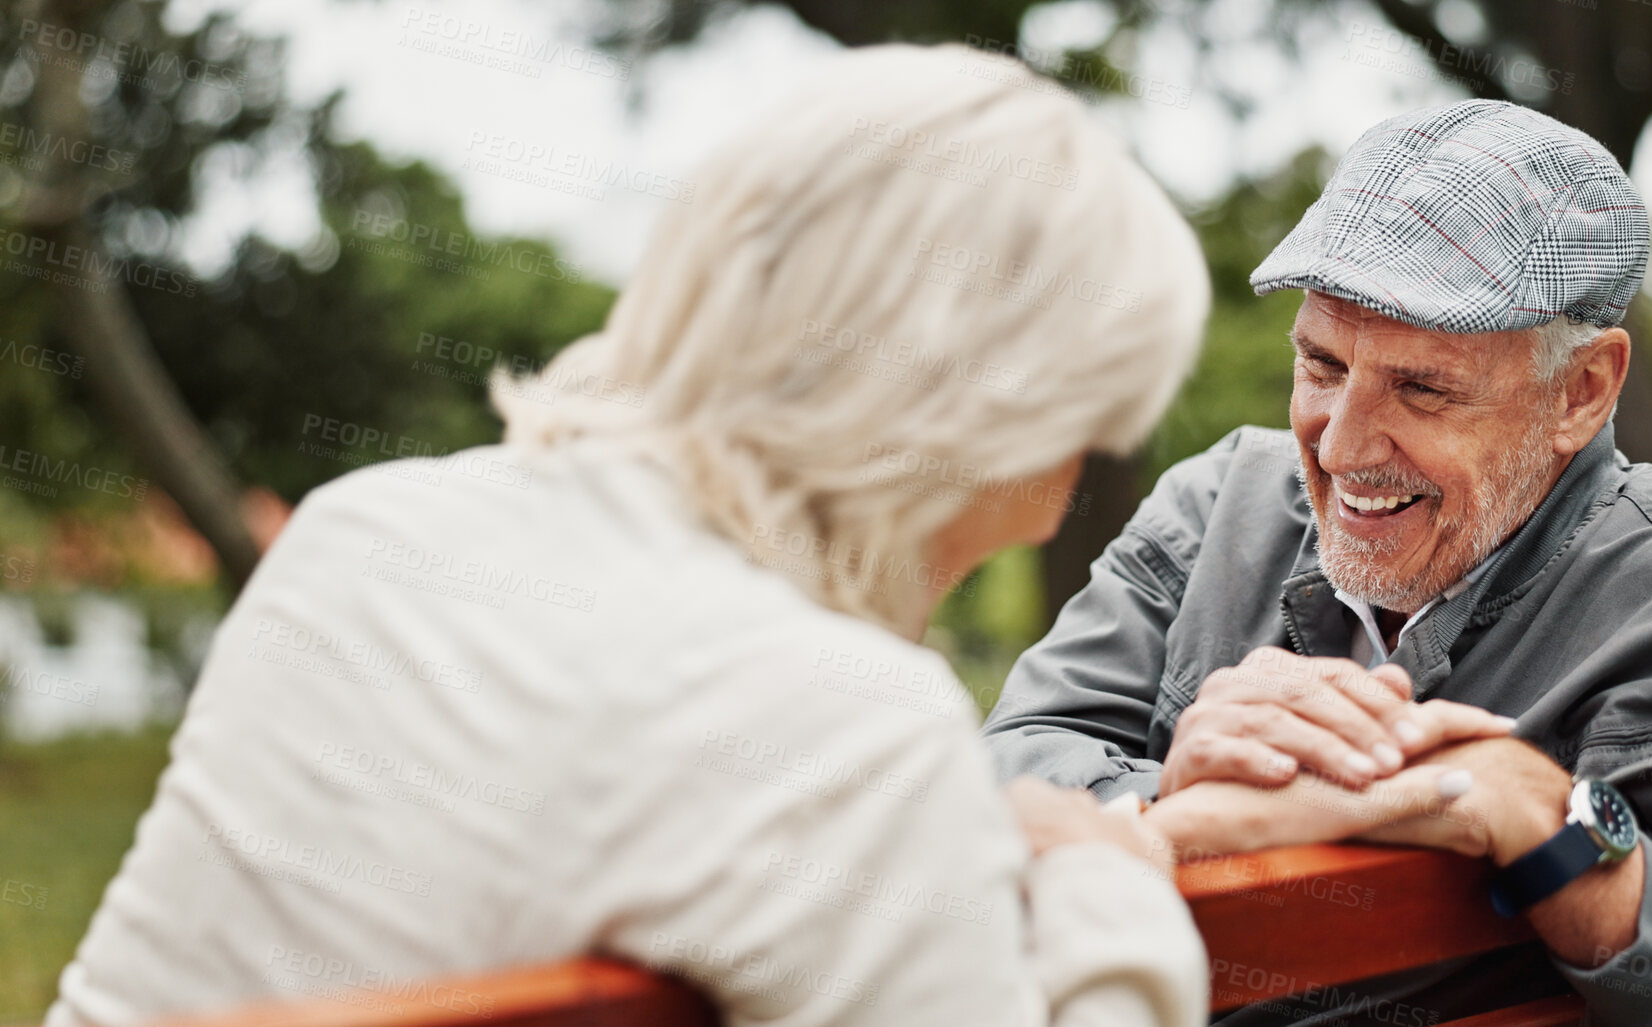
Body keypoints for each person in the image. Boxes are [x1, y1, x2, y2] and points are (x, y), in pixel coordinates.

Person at [54, 43, 1280, 1027]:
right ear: (972, 423)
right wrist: (1111, 893)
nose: (1058, 499)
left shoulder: (362, 531)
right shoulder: (843, 723)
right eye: (1076, 435)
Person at [984, 99, 1652, 1026]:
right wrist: (1176, 806)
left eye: (1421, 388)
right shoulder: (1216, 506)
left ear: (1581, 389)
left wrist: (1551, 823)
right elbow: (1002, 763)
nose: (1341, 444)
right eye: (1320, 366)